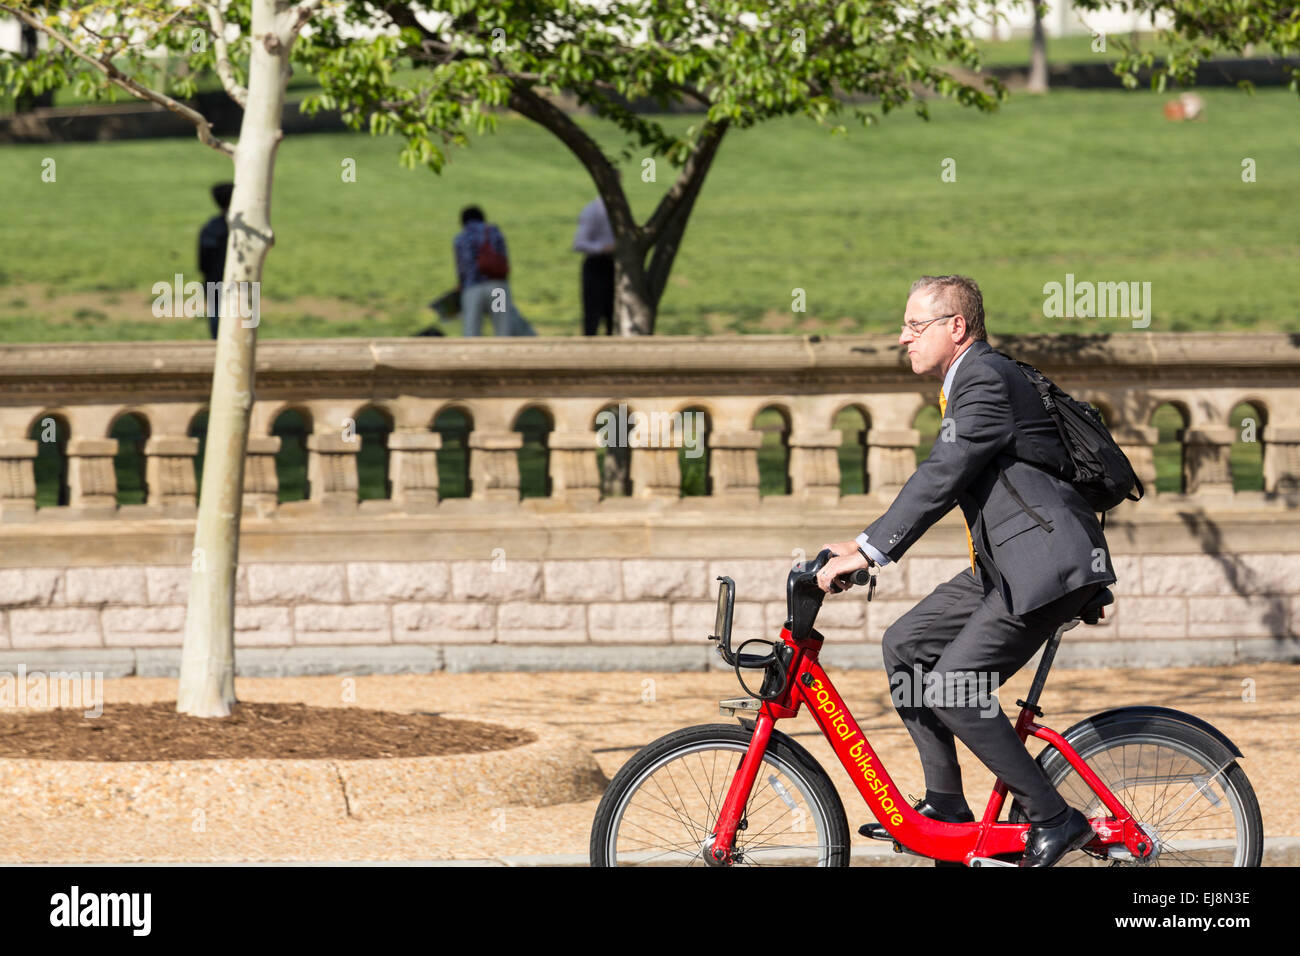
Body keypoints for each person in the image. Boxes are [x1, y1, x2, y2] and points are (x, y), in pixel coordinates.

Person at [815, 274, 1116, 868]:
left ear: (957, 327)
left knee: (954, 685)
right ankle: (948, 806)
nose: (903, 338)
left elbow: (944, 472)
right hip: (1008, 568)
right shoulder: (975, 381)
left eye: (915, 325)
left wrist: (870, 551)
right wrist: (859, 542)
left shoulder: (983, 377)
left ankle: (1054, 818)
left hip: (1041, 567)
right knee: (906, 645)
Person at [452, 206, 535, 337]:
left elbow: (461, 267)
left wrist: (461, 285)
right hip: (497, 287)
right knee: (502, 326)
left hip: (473, 290)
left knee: (472, 330)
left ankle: (472, 356)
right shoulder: (493, 231)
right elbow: (503, 257)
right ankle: (503, 354)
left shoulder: (460, 238)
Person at [572, 189, 615, 335]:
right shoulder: (592, 211)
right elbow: (579, 243)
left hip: (614, 265)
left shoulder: (619, 211)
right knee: (592, 312)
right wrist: (603, 248)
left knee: (613, 312)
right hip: (596, 264)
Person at [197, 182, 233, 339]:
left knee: (216, 319)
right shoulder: (244, 228)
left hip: (214, 280)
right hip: (240, 282)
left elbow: (203, 260)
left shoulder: (212, 228)